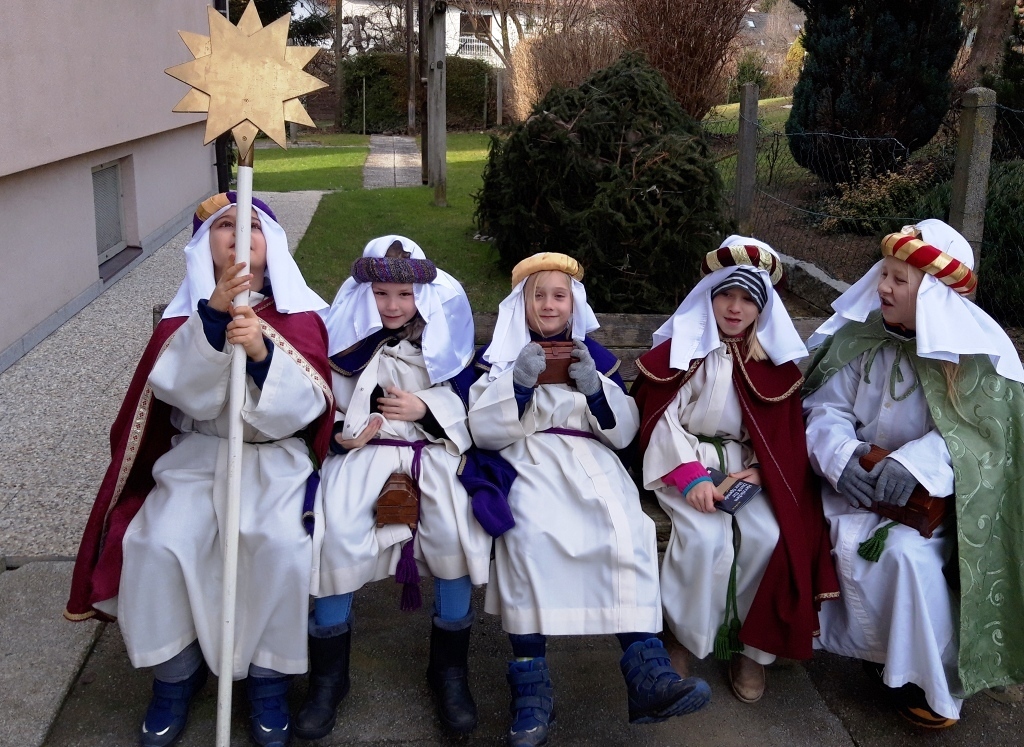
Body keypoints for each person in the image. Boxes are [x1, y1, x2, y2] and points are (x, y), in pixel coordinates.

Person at [64, 192, 334, 747]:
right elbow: (181, 393)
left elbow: (309, 407)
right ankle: (175, 674)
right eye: (224, 226)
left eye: (252, 226)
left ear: (271, 243)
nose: (239, 236)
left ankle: (268, 679)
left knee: (280, 546)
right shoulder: (183, 318)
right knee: (160, 542)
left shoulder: (302, 317)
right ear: (203, 245)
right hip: (198, 455)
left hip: (272, 458)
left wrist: (262, 355)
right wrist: (211, 321)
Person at [468, 252, 710, 747]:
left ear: (573, 303)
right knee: (528, 538)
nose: (549, 304)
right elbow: (484, 431)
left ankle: (648, 675)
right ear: (523, 304)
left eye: (559, 296)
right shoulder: (501, 358)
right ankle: (531, 690)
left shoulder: (594, 358)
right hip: (529, 461)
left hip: (592, 462)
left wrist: (595, 388)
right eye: (539, 296)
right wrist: (518, 385)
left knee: (628, 531)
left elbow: (622, 434)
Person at [802, 219, 1024, 728]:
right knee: (823, 534)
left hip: (934, 508)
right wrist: (840, 456)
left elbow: (981, 438)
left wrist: (916, 462)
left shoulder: (971, 360)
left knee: (904, 558)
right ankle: (876, 655)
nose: (882, 286)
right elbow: (825, 407)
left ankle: (929, 681)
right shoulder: (863, 339)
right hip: (851, 490)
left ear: (933, 295)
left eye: (898, 280)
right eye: (883, 273)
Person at [296, 236, 491, 740]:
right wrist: (340, 436)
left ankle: (449, 673)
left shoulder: (443, 344)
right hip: (364, 457)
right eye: (381, 294)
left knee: (455, 532)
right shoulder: (346, 343)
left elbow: (472, 404)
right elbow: (321, 403)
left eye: (405, 295)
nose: (392, 306)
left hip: (432, 454)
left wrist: (427, 408)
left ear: (421, 297)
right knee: (337, 534)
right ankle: (328, 679)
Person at [631, 237, 840, 704]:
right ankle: (683, 639)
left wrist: (763, 471)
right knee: (703, 539)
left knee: (767, 536)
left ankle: (749, 647)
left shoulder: (771, 366)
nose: (734, 307)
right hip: (685, 466)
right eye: (726, 294)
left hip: (744, 471)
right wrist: (689, 476)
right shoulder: (683, 353)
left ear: (762, 309)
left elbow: (783, 438)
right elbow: (659, 421)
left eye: (748, 299)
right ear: (709, 296)